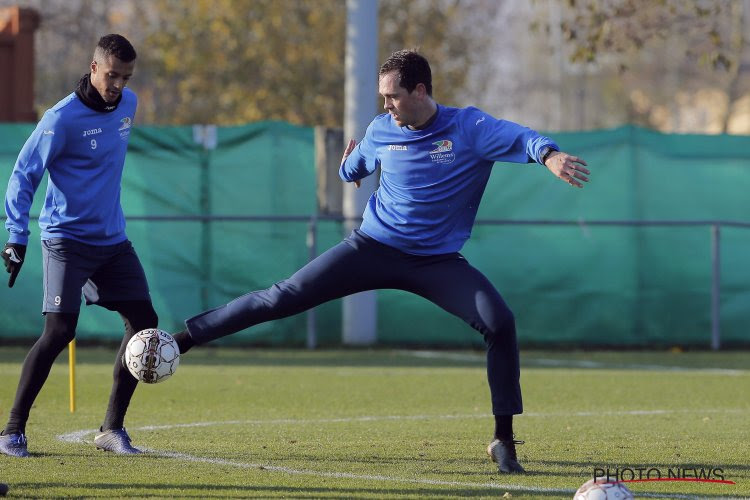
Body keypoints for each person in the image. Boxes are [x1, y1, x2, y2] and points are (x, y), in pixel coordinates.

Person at [170, 49, 589, 474]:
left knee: (500, 321)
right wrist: (348, 168)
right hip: (371, 248)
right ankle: (182, 339)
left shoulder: (469, 127)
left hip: (435, 262)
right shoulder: (381, 129)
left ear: (421, 90)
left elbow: (521, 138)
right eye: (382, 98)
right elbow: (353, 165)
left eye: (392, 97)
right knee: (282, 297)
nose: (386, 106)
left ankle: (503, 442)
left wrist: (549, 156)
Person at [0, 34, 157, 457]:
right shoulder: (60, 119)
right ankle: (11, 432)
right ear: (93, 68)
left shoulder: (129, 104)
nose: (118, 85)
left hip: (112, 241)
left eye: (126, 77)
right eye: (111, 75)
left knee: (144, 323)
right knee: (59, 331)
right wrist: (16, 236)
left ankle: (112, 429)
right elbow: (24, 174)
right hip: (66, 240)